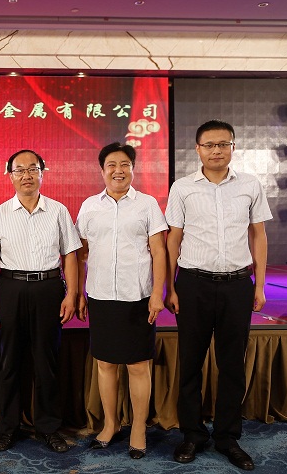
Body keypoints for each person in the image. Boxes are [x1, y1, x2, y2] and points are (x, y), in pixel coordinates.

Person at [165, 120, 271, 471]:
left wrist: (259, 285)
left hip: (237, 285)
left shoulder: (250, 185)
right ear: (197, 149)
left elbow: (258, 235)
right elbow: (174, 238)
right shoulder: (182, 187)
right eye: (209, 145)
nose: (216, 150)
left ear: (233, 148)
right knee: (191, 363)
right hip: (193, 284)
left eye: (223, 144)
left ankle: (227, 437)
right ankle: (192, 434)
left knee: (232, 365)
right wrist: (170, 286)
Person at [0, 149, 81, 453]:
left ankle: (49, 427)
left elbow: (70, 255)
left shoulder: (58, 211)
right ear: (10, 175)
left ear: (42, 172)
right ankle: (8, 428)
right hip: (10, 288)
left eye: (32, 169)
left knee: (46, 362)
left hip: (48, 288)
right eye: (19, 170)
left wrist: (72, 294)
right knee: (9, 362)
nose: (26, 175)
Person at [75, 142, 167, 459]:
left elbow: (159, 252)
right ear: (102, 170)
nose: (118, 170)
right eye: (111, 165)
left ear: (133, 169)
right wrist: (80, 293)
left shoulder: (147, 205)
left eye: (125, 164)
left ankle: (138, 427)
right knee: (105, 364)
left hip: (137, 297)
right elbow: (82, 254)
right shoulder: (89, 206)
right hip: (101, 295)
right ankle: (111, 424)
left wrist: (157, 294)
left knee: (138, 365)